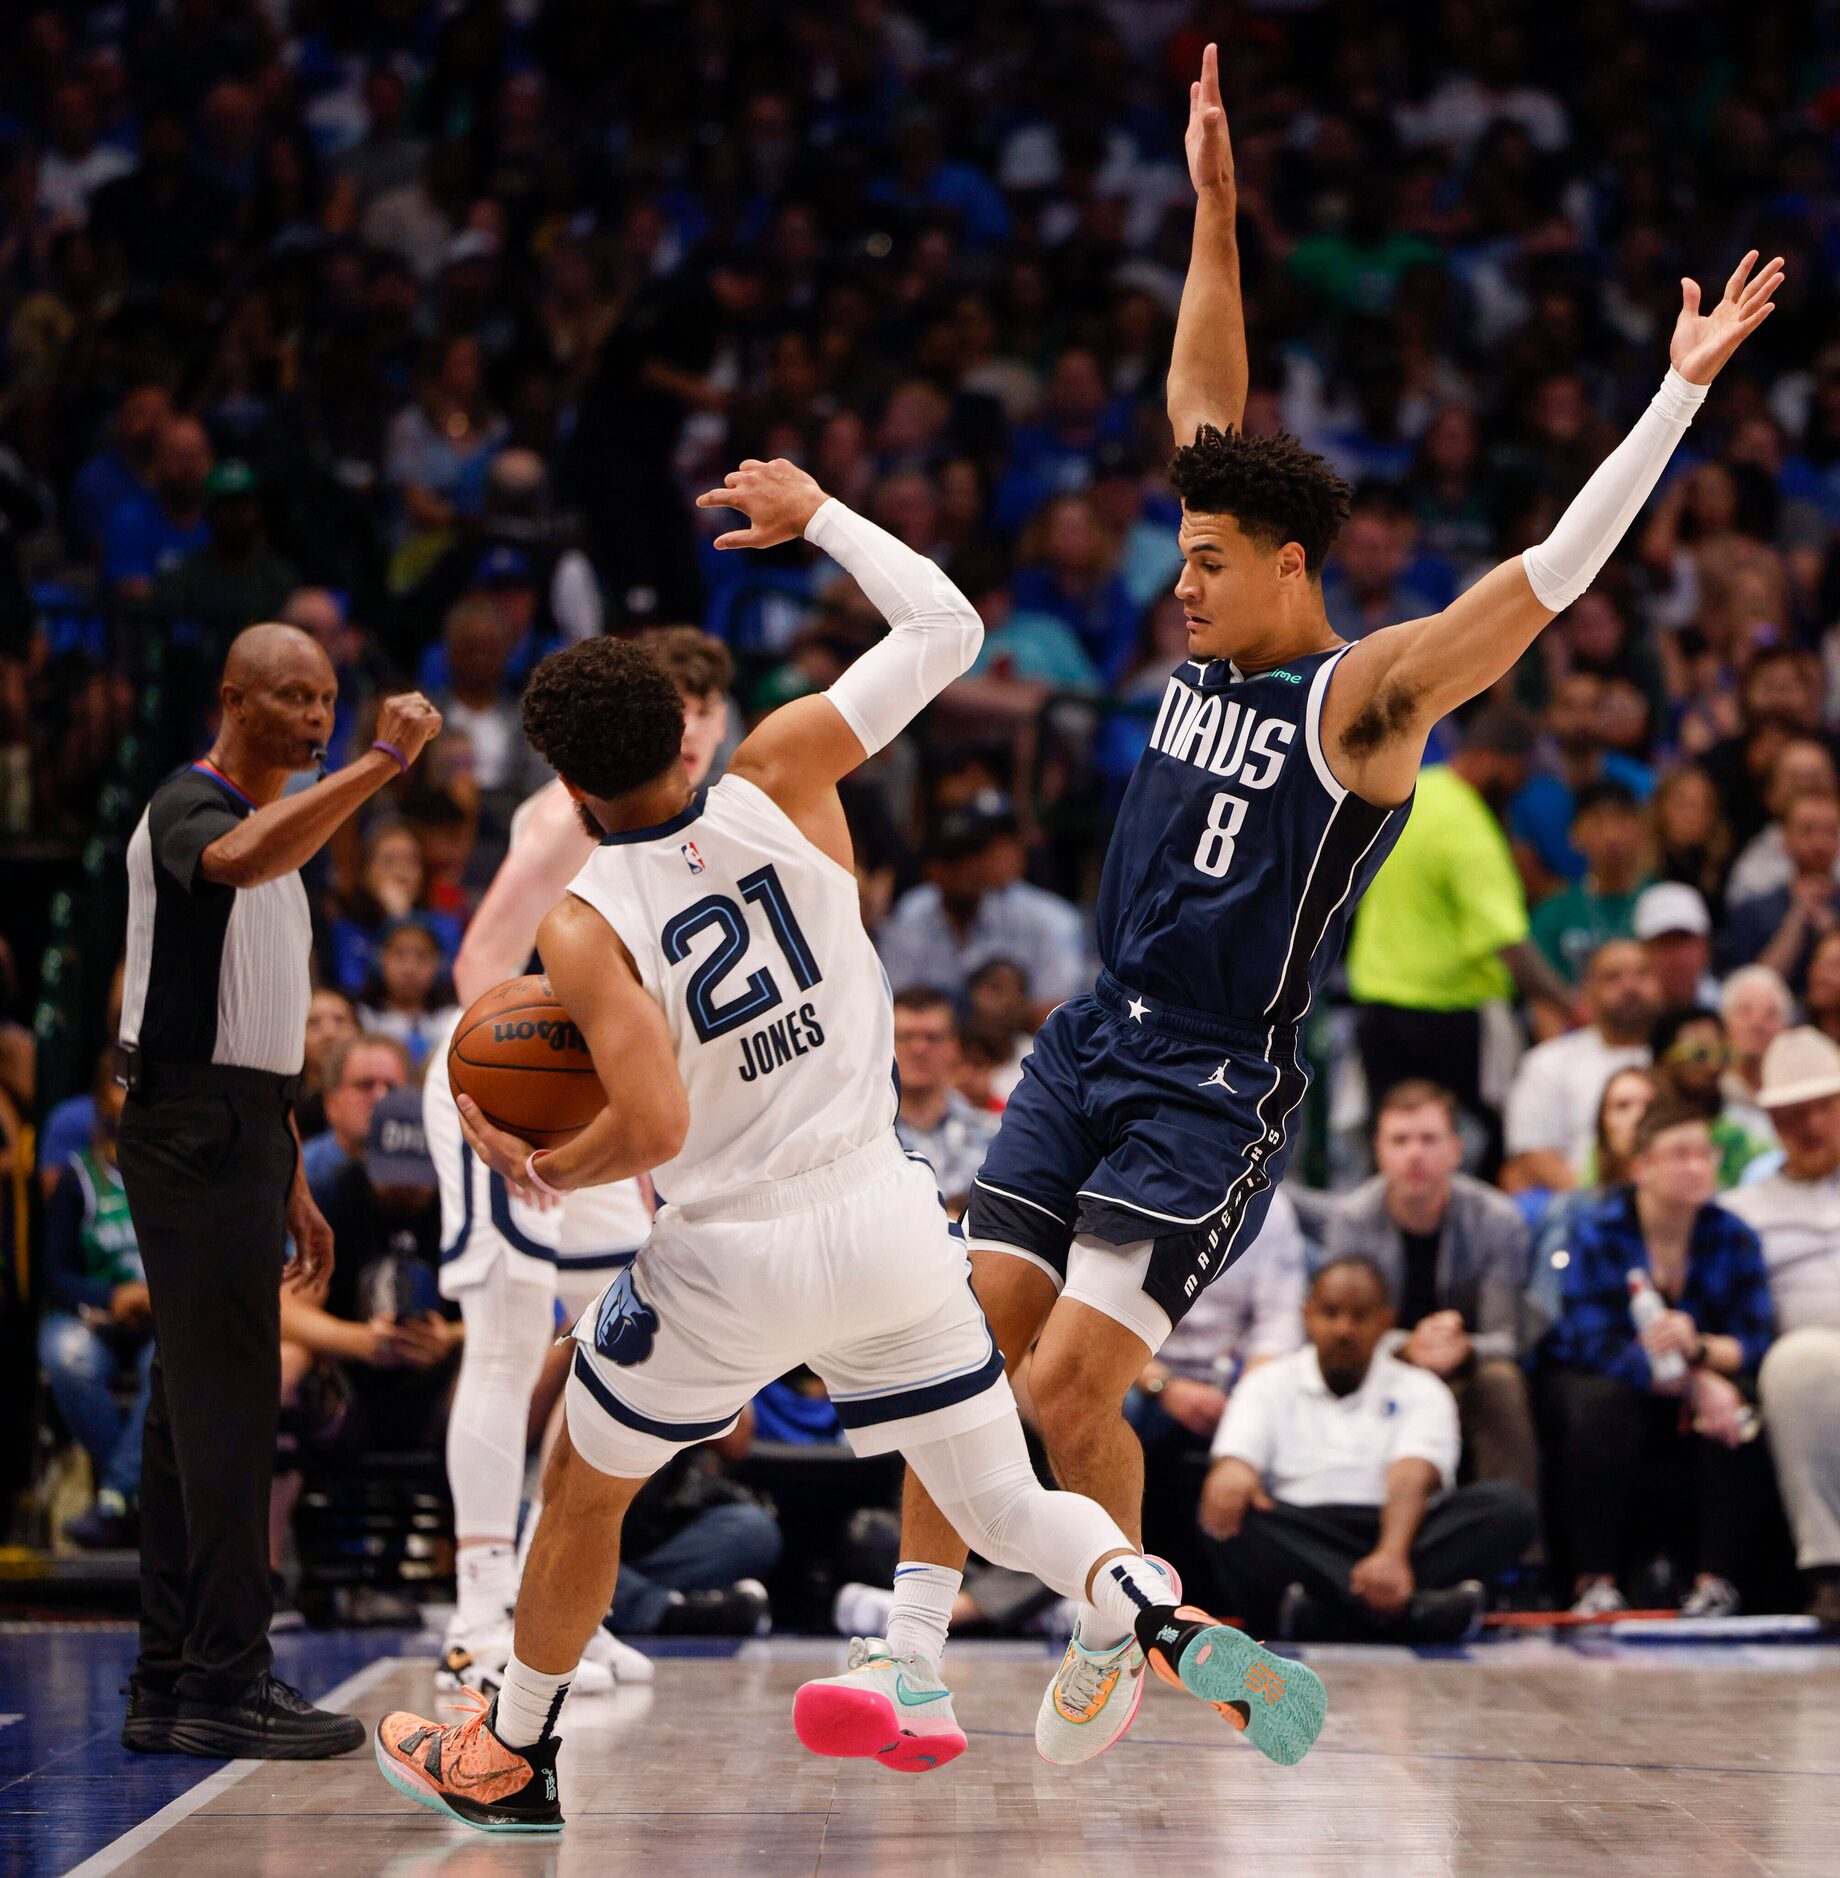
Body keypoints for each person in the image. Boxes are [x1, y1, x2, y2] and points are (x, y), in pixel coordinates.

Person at [885, 39, 1780, 1759]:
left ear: (1289, 569)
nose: (1181, 578)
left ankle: (1117, 1617)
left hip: (1211, 1084)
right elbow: (1205, 394)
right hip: (1090, 1038)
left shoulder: (1361, 699)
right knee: (959, 1342)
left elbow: (1549, 580)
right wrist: (1216, 205)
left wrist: (1673, 394)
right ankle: (918, 1658)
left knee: (1070, 1392)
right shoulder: (1214, 597)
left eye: (1207, 562)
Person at [375, 450, 1324, 1835]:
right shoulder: (781, 767)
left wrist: (540, 1163)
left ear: (566, 782)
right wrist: (819, 514)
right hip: (888, 1216)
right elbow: (947, 626)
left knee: (584, 1480)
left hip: (732, 1249)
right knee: (997, 1491)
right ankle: (1144, 1603)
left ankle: (514, 1751)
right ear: (687, 736)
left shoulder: (582, 919)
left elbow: (651, 1123)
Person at [115, 621, 440, 1759]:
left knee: (185, 1410)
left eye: (327, 703)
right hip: (189, 1128)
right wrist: (380, 766)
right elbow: (239, 858)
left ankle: (167, 1681)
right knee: (231, 1405)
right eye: (293, 701)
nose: (314, 720)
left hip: (243, 1125)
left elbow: (259, 1018)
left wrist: (292, 1158)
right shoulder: (188, 806)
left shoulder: (290, 843)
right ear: (232, 699)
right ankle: (227, 1681)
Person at [428, 630, 731, 1699]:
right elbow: (479, 964)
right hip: (504, 1090)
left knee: (611, 1347)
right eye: (678, 703)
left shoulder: (687, 826)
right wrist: (521, 1127)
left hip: (597, 1092)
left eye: (707, 704)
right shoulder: (572, 816)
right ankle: (476, 1611)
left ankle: (557, 1603)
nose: (696, 724)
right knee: (507, 1341)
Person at [1198, 1258, 1538, 1642]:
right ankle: (1413, 1613)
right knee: (1226, 1519)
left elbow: (1412, 1473)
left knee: (1509, 1508)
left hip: (1400, 1530)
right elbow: (1234, 1463)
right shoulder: (1267, 1383)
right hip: (1305, 1527)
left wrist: (1391, 1556)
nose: (1343, 1329)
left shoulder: (1421, 1387)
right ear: (1306, 1315)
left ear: (1386, 1321)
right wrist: (1232, 1473)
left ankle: (1324, 1616)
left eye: (1360, 1316)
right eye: (1330, 1313)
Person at [1534, 1096, 1777, 1617]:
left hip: (1691, 1375)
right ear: (1641, 1166)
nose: (1696, 1167)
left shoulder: (1734, 1237)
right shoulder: (1597, 1230)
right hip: (1608, 1376)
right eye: (1679, 1154)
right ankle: (1594, 1579)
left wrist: (1701, 1350)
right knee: (1604, 1405)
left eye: (1704, 1154)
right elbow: (1590, 1340)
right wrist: (1695, 1383)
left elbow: (1754, 1337)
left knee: (1738, 1409)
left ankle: (1717, 1581)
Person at [1348, 705, 1567, 1171]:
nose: (1521, 785)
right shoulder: (1469, 828)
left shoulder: (1415, 792)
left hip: (1379, 1011)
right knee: (1491, 1139)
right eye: (1518, 771)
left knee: (1393, 1147)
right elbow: (1508, 941)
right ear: (1491, 759)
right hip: (1451, 1021)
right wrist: (1568, 1003)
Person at [1315, 1082, 1538, 1498]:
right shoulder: (1351, 1219)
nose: (1414, 1153)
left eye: (1429, 1139)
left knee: (1501, 1379)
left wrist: (1462, 1349)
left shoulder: (1497, 1219)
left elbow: (1506, 1336)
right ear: (1379, 1151)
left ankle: (1515, 1547)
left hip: (1469, 1367)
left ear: (1455, 1150)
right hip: (1384, 1362)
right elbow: (1341, 1330)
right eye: (1400, 1140)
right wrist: (1408, 1346)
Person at [1723, 1029, 1840, 1627]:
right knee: (1800, 1365)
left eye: (1822, 1108)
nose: (1809, 1126)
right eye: (1792, 1115)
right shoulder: (1744, 1212)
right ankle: (1828, 1570)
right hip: (1809, 1351)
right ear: (1770, 1122)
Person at [38, 1062, 151, 1549]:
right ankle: (131, 1496)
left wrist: (155, 1298)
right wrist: (111, 1297)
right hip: (96, 1317)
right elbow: (54, 1275)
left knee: (178, 1365)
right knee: (66, 1356)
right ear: (98, 1098)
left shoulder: (180, 1184)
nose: (128, 1096)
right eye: (117, 1084)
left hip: (162, 1321)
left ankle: (113, 1501)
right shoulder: (77, 1177)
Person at [876, 791, 1090, 1011]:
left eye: (975, 857)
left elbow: (1060, 1013)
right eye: (953, 860)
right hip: (930, 1038)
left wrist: (1001, 1015)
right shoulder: (912, 911)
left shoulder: (1049, 918)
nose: (966, 870)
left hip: (1023, 1044)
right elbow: (893, 1004)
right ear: (931, 869)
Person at [1502, 939, 1660, 1193]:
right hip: (1581, 1207)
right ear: (1588, 992)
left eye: (1642, 974)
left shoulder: (1679, 1057)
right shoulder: (1547, 1062)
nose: (1630, 986)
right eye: (1613, 977)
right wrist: (1603, 1205)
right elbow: (1533, 1153)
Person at [891, 987, 999, 1216]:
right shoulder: (863, 1138)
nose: (919, 1048)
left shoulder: (995, 1136)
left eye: (933, 1037)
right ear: (885, 1046)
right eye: (905, 1037)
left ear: (955, 1046)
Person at [1528, 779, 1650, 983]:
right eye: (1598, 822)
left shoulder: (1666, 901)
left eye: (1621, 820)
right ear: (1575, 834)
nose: (1612, 836)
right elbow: (1540, 997)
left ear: (1641, 829)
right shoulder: (1553, 913)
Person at [1722, 791, 1840, 996]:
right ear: (1785, 837)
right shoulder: (1753, 910)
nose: (1820, 842)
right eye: (1808, 830)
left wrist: (1830, 932)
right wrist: (1798, 916)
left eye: (1830, 832)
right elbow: (1752, 990)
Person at [1649, 1005, 1771, 1188]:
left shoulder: (1748, 1134)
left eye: (1722, 1054)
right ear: (1662, 1063)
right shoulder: (1641, 1134)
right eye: (1700, 1054)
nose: (1713, 1066)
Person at [298, 1032, 410, 1202]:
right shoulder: (301, 1178)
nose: (380, 1097)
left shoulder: (429, 1179)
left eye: (392, 1087)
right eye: (364, 1085)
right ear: (331, 1102)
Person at [1633, 879, 1719, 1007]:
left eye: (1683, 940)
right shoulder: (1625, 1019)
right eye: (1662, 943)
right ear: (1641, 951)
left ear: (1704, 946)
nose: (1675, 955)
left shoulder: (1730, 1010)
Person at [296, 987, 359, 1140]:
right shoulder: (284, 1106)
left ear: (358, 1031)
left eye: (340, 1020)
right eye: (313, 1023)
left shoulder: (378, 1093)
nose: (329, 1033)